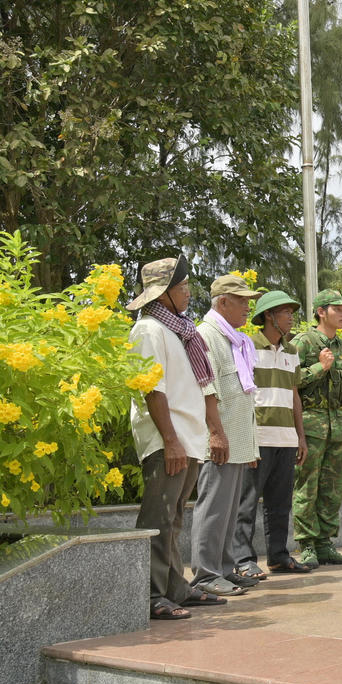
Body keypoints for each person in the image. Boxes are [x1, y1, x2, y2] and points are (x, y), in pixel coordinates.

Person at [127, 256, 224, 619]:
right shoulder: (149, 330)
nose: (188, 294)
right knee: (158, 517)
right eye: (182, 288)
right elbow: (152, 390)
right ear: (163, 294)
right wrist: (170, 440)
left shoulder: (178, 330)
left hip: (187, 438)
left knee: (174, 518)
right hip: (167, 440)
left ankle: (175, 588)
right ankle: (152, 596)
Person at [189, 274, 264, 598]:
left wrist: (249, 444)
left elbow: (242, 394)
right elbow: (207, 390)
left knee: (229, 511)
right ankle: (206, 574)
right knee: (213, 509)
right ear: (223, 303)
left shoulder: (232, 338)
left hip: (234, 440)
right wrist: (216, 435)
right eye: (243, 301)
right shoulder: (207, 336)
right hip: (218, 442)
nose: (249, 307)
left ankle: (224, 569)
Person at [232, 290, 311, 576]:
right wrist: (246, 437)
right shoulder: (247, 345)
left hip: (286, 439)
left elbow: (295, 396)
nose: (291, 317)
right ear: (268, 315)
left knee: (281, 504)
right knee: (247, 502)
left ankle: (279, 555)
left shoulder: (292, 351)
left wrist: (300, 437)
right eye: (285, 312)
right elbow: (242, 393)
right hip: (258, 438)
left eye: (292, 312)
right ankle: (242, 560)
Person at [292, 289, 342, 567]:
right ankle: (306, 545)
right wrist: (320, 368)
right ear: (321, 312)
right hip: (310, 425)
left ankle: (324, 544)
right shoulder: (303, 343)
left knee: (332, 490)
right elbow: (290, 382)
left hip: (339, 427)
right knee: (307, 487)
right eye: (337, 309)